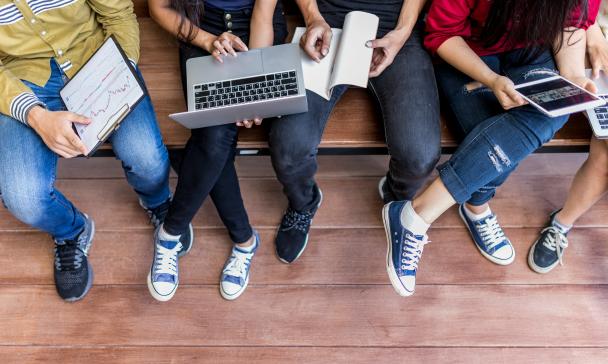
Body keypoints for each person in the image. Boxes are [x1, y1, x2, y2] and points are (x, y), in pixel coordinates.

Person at [381, 0, 601, 296]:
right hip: (467, 51)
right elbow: (441, 34)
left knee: (555, 110)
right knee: (486, 137)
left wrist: (573, 76)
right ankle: (476, 207)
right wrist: (491, 79)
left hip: (531, 52)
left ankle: (418, 213)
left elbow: (571, 22)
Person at [0, 0, 175, 301]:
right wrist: (35, 115)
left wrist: (121, 75)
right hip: (22, 80)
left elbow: (118, 14)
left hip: (97, 60)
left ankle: (157, 202)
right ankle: (71, 232)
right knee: (23, 198)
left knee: (146, 157)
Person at [269, 0, 441, 264]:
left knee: (419, 154)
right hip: (327, 22)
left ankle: (394, 196)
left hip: (395, 27)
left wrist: (403, 31)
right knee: (288, 144)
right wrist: (312, 16)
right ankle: (303, 203)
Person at [148, 0, 287, 301]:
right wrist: (208, 40)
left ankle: (170, 233)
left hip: (255, 31)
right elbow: (158, 8)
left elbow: (263, 14)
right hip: (200, 28)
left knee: (212, 142)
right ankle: (244, 240)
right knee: (214, 137)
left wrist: (254, 86)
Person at [528, 22, 608, 274]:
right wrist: (594, 33)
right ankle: (561, 223)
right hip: (590, 48)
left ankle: (561, 224)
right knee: (606, 154)